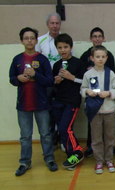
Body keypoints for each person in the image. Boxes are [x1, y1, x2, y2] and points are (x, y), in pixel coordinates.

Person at [9, 27, 58, 176]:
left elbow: (49, 81)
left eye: (32, 38)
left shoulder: (42, 59)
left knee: (46, 134)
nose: (29, 40)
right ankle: (25, 162)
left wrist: (36, 75)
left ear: (36, 41)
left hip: (41, 104)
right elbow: (11, 79)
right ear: (21, 41)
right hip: (23, 105)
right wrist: (18, 79)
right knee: (25, 136)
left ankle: (49, 159)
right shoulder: (17, 59)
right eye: (26, 38)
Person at [81, 45, 115, 174]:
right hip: (95, 111)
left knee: (109, 137)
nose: (100, 59)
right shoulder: (88, 74)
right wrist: (87, 91)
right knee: (96, 138)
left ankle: (109, 160)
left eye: (103, 57)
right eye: (97, 57)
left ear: (106, 58)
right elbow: (82, 89)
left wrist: (109, 93)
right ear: (92, 58)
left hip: (108, 110)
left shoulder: (111, 73)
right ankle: (99, 161)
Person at [80, 27, 115, 158]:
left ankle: (109, 154)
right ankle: (95, 152)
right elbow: (83, 83)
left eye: (99, 36)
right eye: (94, 36)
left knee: (109, 132)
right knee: (94, 131)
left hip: (107, 103)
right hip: (92, 102)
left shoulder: (110, 60)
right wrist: (87, 91)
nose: (97, 38)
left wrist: (109, 93)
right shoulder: (85, 57)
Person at [52, 33, 85, 170]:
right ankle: (70, 153)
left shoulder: (79, 63)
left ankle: (76, 152)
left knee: (66, 128)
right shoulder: (56, 65)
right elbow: (53, 84)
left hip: (72, 102)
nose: (63, 50)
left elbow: (86, 83)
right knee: (62, 130)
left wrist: (72, 77)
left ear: (71, 47)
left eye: (65, 47)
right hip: (58, 101)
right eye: (60, 47)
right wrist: (56, 81)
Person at [35, 12, 62, 150]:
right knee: (47, 113)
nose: (55, 26)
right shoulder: (40, 41)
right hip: (46, 83)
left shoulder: (65, 40)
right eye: (52, 23)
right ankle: (50, 141)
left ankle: (62, 140)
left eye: (57, 23)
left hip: (61, 82)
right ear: (47, 25)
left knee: (61, 111)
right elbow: (36, 62)